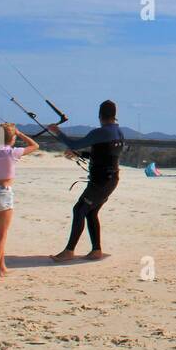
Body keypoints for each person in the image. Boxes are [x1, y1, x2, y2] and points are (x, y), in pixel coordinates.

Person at [49, 100, 124, 262]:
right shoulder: (118, 132)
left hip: (101, 182)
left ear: (100, 115)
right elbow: (105, 156)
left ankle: (69, 251)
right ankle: (96, 250)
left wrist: (57, 132)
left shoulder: (101, 132)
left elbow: (73, 143)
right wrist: (80, 154)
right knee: (90, 212)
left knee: (79, 210)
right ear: (114, 115)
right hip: (110, 180)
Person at [0, 123, 39, 282]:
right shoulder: (12, 152)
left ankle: (2, 268)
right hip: (3, 193)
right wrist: (20, 133)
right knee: (1, 236)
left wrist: (4, 134)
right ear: (12, 138)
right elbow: (35, 145)